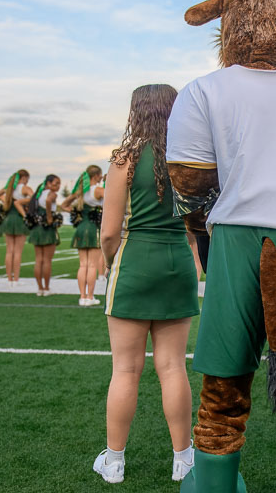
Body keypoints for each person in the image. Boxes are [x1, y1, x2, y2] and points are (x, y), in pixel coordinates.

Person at [92, 84, 199, 485]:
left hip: (136, 262)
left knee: (125, 368)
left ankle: (115, 461)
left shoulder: (125, 159)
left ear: (136, 112)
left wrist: (111, 264)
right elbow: (196, 225)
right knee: (173, 367)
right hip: (178, 263)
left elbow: (108, 232)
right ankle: (183, 459)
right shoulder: (188, 157)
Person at [60, 165, 104, 306]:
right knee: (92, 265)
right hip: (93, 228)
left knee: (83, 264)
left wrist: (76, 211)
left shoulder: (79, 192)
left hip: (81, 227)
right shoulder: (98, 190)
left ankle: (82, 297)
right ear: (96, 176)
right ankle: (90, 297)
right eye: (100, 175)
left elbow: (63, 205)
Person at [0, 169, 31, 287]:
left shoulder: (8, 188)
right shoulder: (24, 188)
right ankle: (16, 280)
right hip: (19, 219)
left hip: (8, 219)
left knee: (9, 251)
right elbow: (35, 198)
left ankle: (9, 279)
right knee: (18, 252)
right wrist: (23, 203)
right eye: (27, 179)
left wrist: (1, 208)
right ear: (24, 178)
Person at [28, 174, 61, 297]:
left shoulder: (38, 194)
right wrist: (49, 216)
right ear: (48, 183)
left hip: (37, 228)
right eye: (56, 183)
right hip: (47, 229)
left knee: (38, 260)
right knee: (47, 260)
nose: (58, 186)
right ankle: (46, 288)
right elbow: (48, 201)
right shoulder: (51, 194)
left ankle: (40, 289)